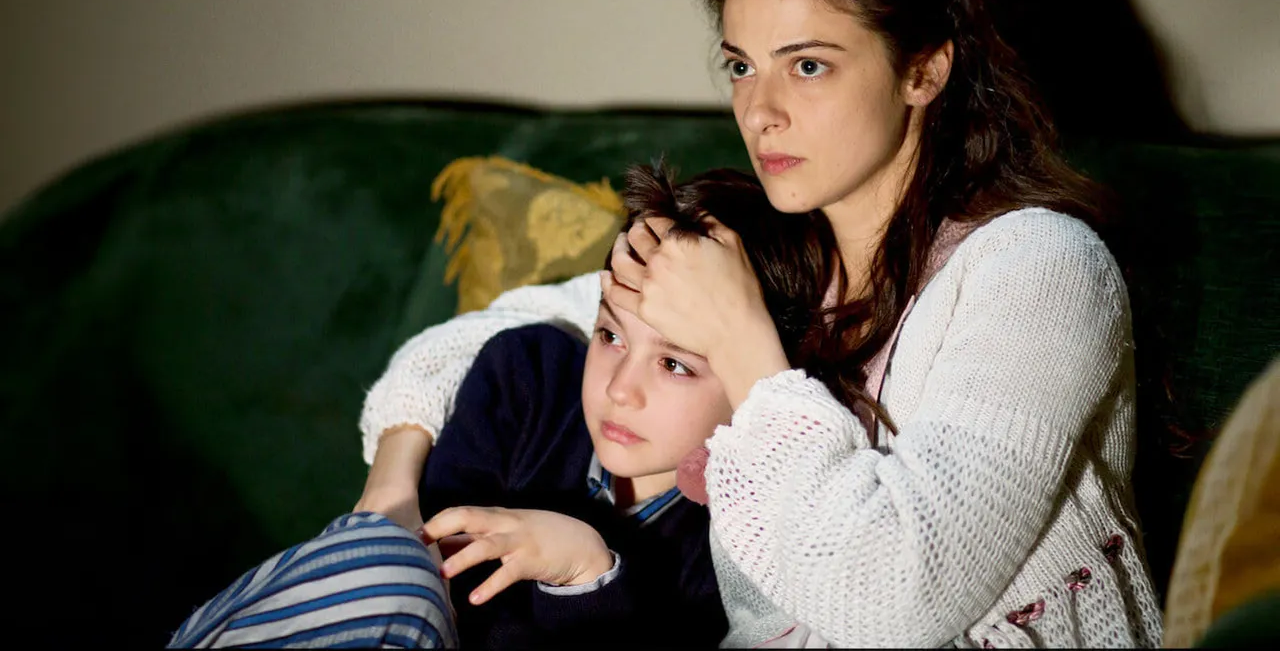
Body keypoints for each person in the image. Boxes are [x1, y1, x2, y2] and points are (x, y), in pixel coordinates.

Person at [355, 0, 1165, 647]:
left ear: (923, 69)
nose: (759, 112)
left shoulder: (1040, 267)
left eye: (807, 66)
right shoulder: (780, 253)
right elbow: (496, 332)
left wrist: (740, 338)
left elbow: (897, 600)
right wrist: (390, 499)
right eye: (742, 66)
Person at [168, 164, 844, 648]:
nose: (619, 387)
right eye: (610, 336)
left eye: (673, 365)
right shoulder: (528, 375)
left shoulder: (737, 535)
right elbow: (427, 574)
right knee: (388, 563)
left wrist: (589, 575)